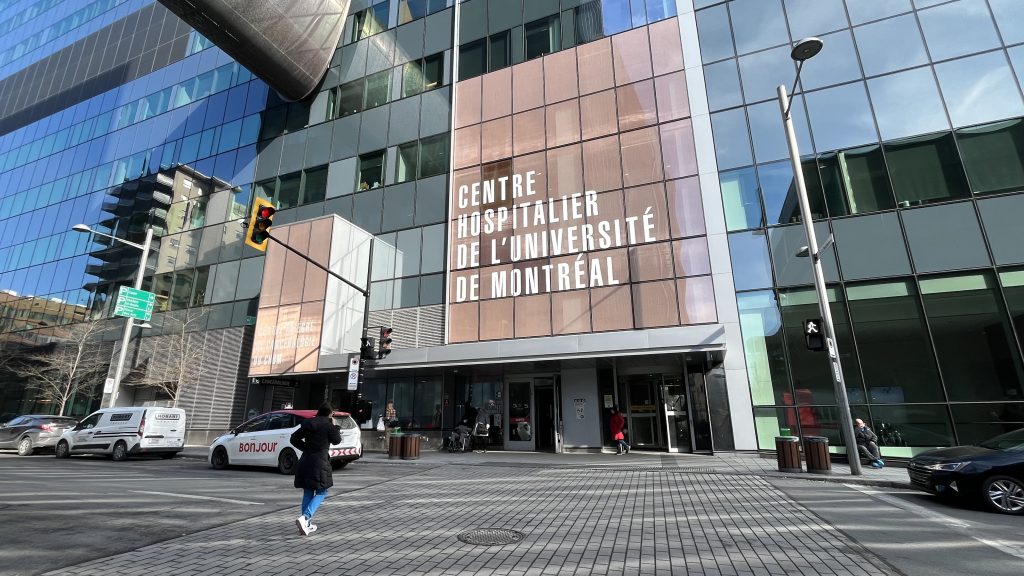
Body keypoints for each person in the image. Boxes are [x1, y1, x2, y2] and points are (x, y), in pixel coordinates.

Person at [291, 404, 341, 536]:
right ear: (330, 414)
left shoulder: (308, 423)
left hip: (306, 460)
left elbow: (293, 438)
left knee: (308, 491)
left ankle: (306, 524)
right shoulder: (329, 425)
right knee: (322, 491)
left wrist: (306, 448)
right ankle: (305, 517)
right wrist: (336, 426)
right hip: (320, 462)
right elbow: (337, 441)